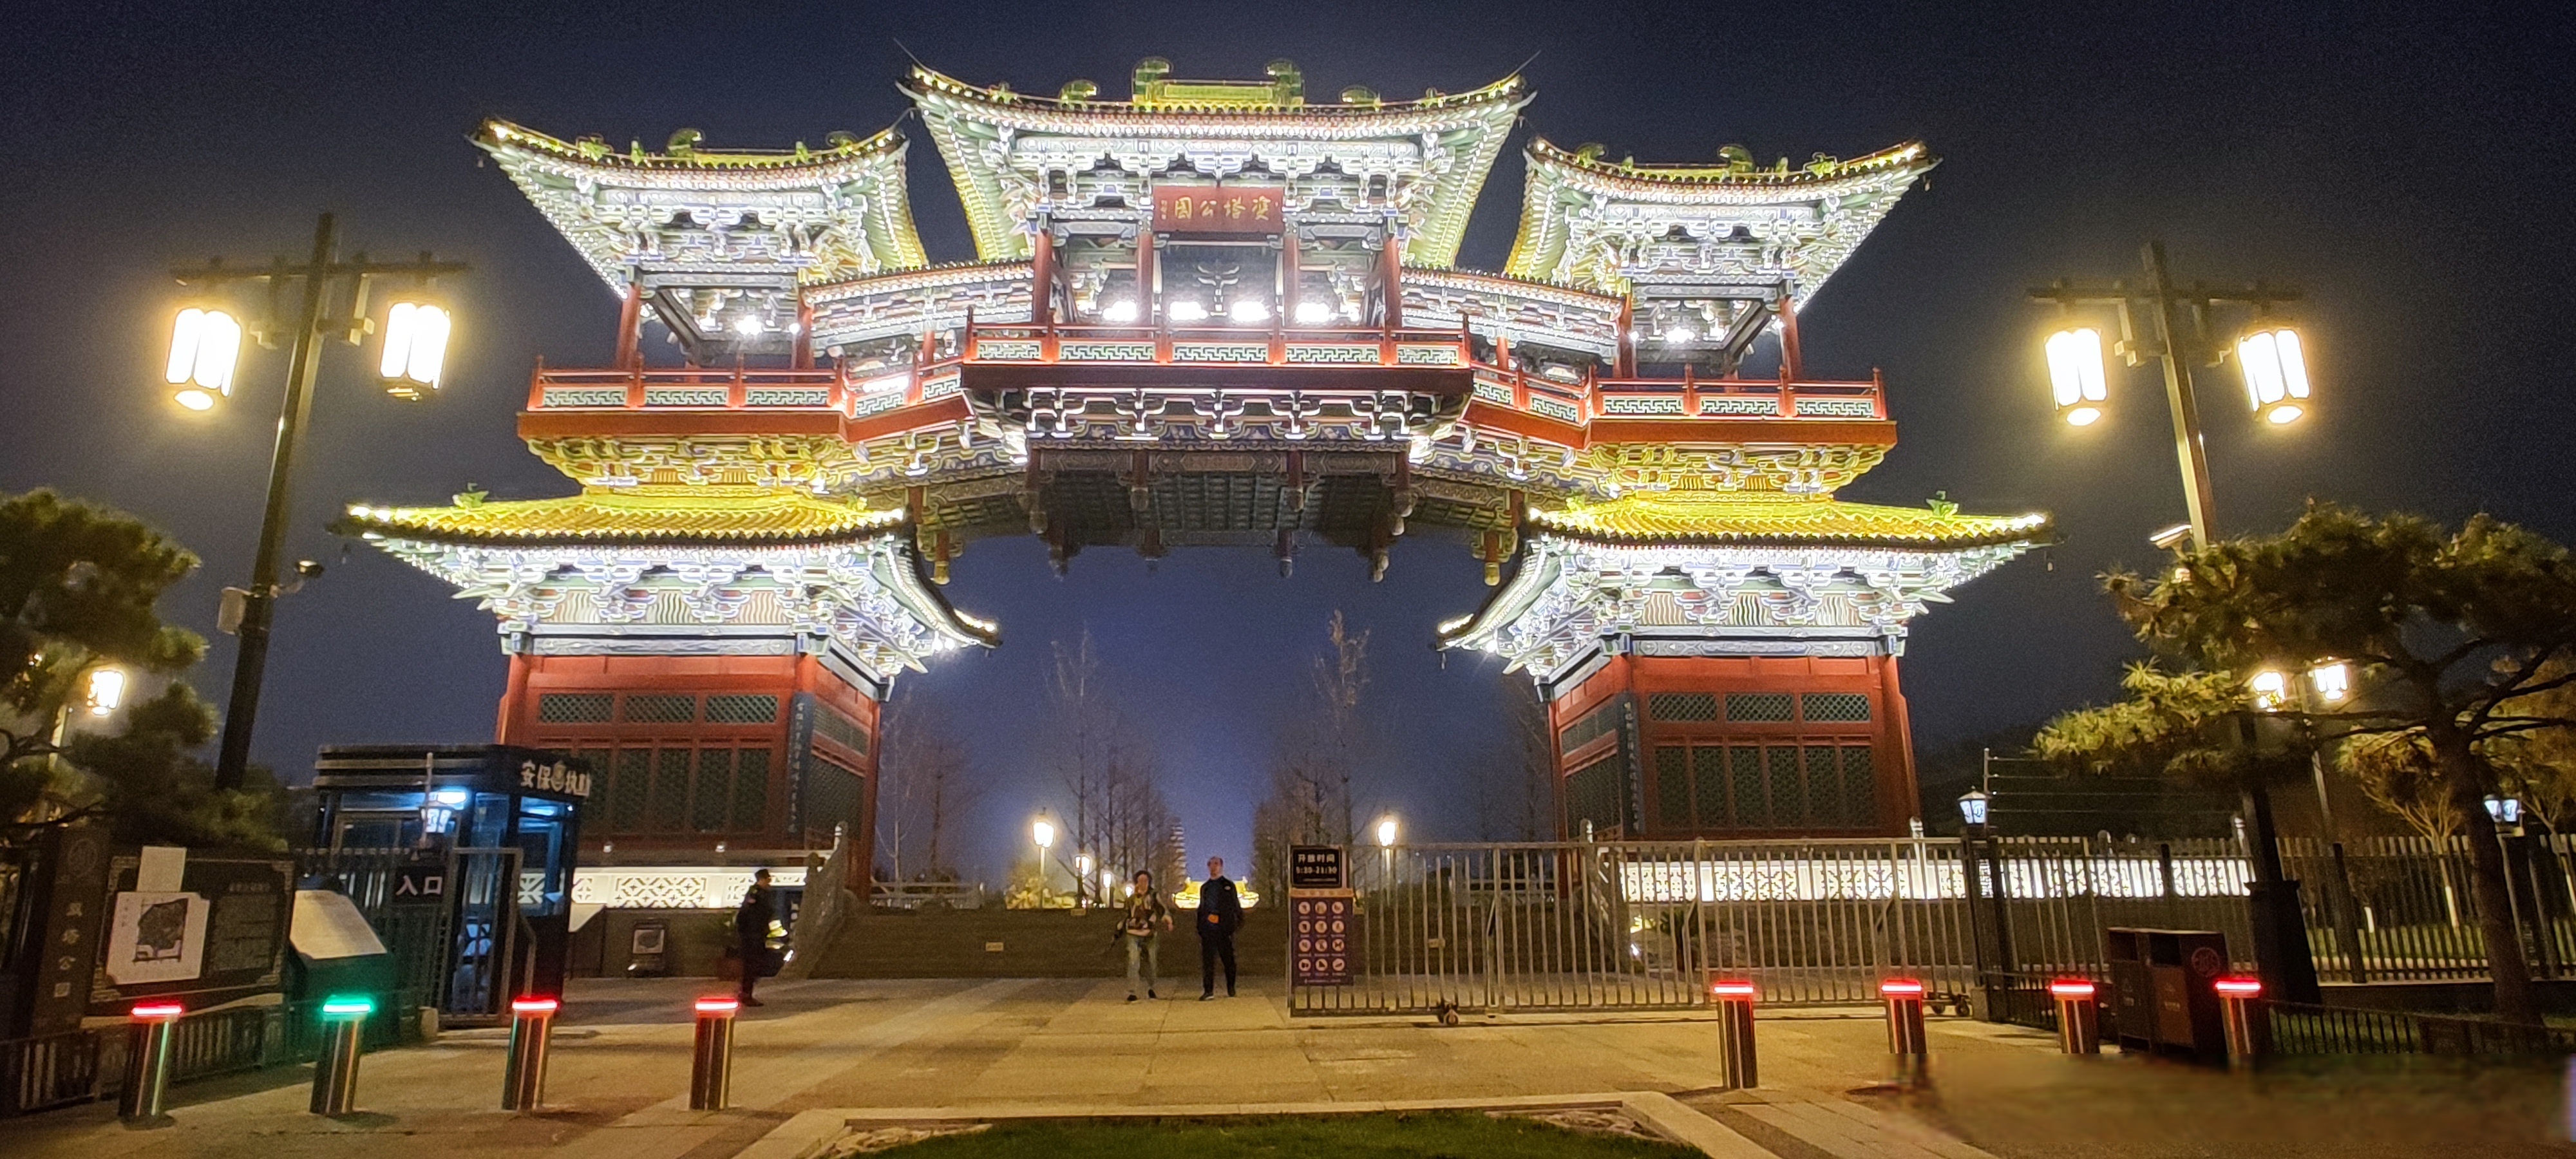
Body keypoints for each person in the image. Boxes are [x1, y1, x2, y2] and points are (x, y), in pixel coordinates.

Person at [1117, 869, 1173, 1001]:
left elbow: (1161, 909)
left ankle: (1151, 988)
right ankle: (1133, 991)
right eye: (1140, 880)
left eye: (1145, 881)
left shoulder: (1153, 895)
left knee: (1152, 961)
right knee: (1133, 960)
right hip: (1133, 932)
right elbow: (1126, 914)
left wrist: (1167, 920)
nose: (1143, 883)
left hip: (1150, 933)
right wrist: (1120, 927)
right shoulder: (1131, 898)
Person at [1197, 856, 1242, 999]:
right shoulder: (1205, 888)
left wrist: (1236, 922)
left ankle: (1231, 987)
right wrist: (1201, 925)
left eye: (1216, 864)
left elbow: (1234, 905)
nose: (1214, 867)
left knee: (1228, 960)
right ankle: (1208, 990)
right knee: (1208, 962)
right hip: (1208, 930)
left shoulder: (1228, 885)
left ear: (1221, 866)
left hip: (1224, 929)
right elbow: (1202, 908)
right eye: (1211, 864)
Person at [734, 868, 773, 1006]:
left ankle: (746, 992)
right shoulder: (755, 893)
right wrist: (749, 933)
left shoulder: (764, 893)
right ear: (762, 879)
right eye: (767, 879)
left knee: (756, 966)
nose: (769, 881)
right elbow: (746, 915)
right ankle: (746, 994)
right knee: (750, 966)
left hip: (758, 934)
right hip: (751, 936)